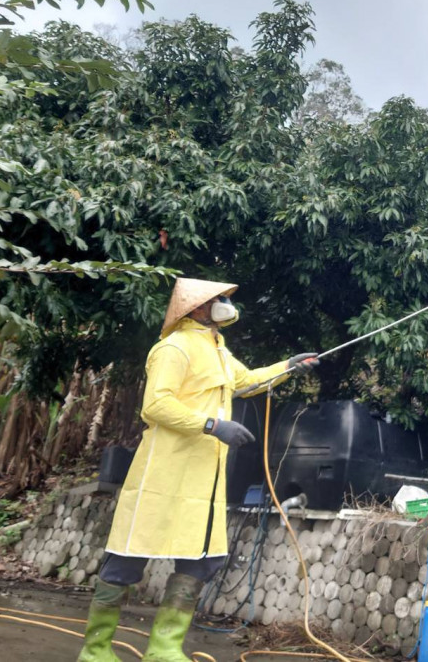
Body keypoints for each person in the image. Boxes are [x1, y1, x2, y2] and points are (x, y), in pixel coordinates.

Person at [77, 277, 319, 662]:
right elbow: (155, 406)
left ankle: (164, 649)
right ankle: (96, 651)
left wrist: (288, 367)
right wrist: (211, 425)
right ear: (196, 308)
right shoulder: (172, 348)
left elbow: (248, 381)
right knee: (127, 558)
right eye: (219, 298)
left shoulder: (218, 349)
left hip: (203, 481)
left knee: (202, 559)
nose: (226, 303)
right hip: (163, 473)